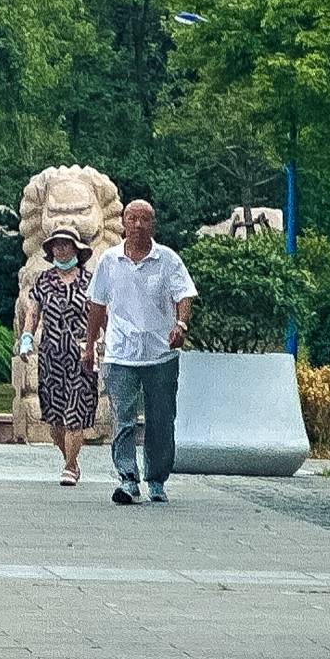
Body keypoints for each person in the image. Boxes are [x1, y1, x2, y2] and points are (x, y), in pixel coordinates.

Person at [85, 197, 197, 504]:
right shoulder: (109, 260)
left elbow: (184, 295)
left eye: (144, 219)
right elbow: (96, 305)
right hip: (121, 351)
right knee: (123, 417)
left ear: (153, 224)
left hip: (160, 352)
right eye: (132, 218)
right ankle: (128, 478)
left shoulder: (168, 259)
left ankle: (157, 479)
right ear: (122, 223)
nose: (137, 224)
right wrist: (89, 346)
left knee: (161, 419)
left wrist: (181, 325)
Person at [23, 224, 101, 485]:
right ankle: (71, 459)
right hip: (51, 356)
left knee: (75, 414)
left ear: (76, 250)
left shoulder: (89, 282)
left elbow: (102, 315)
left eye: (66, 244)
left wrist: (107, 342)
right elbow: (33, 312)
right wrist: (26, 338)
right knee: (55, 418)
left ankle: (69, 467)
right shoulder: (43, 281)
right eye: (57, 244)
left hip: (81, 356)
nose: (61, 248)